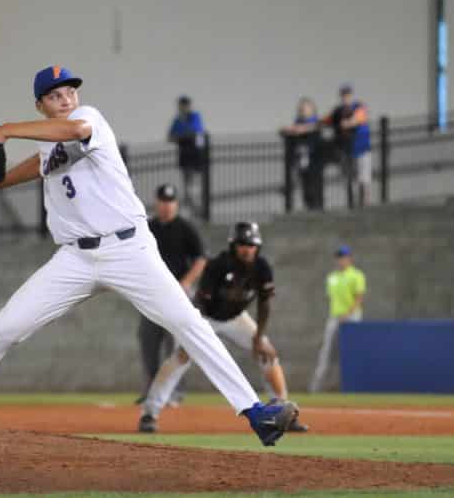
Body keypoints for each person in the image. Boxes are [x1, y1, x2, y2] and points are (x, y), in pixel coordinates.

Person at [0, 65, 299, 447]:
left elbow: (75, 130)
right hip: (74, 258)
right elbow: (39, 165)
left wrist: (4, 130)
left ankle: (254, 412)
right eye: (55, 95)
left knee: (188, 323)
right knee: (5, 327)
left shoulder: (87, 118)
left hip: (128, 249)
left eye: (70, 91)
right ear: (40, 104)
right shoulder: (47, 140)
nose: (66, 99)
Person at [138, 222, 308, 434]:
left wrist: (258, 337)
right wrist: (193, 337)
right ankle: (149, 413)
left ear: (258, 247)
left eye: (251, 244)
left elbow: (264, 304)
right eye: (242, 244)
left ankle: (284, 414)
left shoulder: (261, 267)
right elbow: (200, 302)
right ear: (233, 245)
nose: (247, 248)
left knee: (268, 353)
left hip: (236, 318)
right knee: (180, 357)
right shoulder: (218, 265)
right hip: (206, 317)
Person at [137, 183, 206, 405]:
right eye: (163, 201)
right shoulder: (148, 228)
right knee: (148, 340)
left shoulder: (184, 227)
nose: (167, 206)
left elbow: (200, 259)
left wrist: (185, 282)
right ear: (157, 203)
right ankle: (151, 392)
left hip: (177, 294)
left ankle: (174, 393)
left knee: (176, 344)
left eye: (170, 201)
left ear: (175, 204)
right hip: (152, 294)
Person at [309, 244, 366, 393]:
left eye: (344, 257)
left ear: (349, 258)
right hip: (334, 317)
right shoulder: (331, 277)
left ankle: (354, 386)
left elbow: (359, 298)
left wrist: (348, 314)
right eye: (339, 257)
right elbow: (332, 299)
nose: (341, 260)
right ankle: (316, 388)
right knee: (326, 351)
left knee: (352, 352)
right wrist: (340, 314)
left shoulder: (356, 275)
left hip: (352, 318)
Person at [323, 83, 372, 207]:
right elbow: (324, 121)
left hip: (361, 148)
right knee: (348, 177)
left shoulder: (358, 107)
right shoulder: (337, 111)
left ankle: (364, 202)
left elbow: (358, 118)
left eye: (347, 95)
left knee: (363, 178)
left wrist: (348, 122)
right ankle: (352, 202)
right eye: (343, 95)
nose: (345, 97)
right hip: (346, 150)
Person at [279, 97, 325, 210]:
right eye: (300, 109)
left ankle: (316, 206)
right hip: (301, 160)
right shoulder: (298, 122)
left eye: (304, 109)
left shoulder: (315, 122)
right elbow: (285, 130)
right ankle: (308, 205)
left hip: (314, 161)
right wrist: (292, 130)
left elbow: (312, 128)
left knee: (314, 185)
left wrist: (297, 129)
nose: (302, 111)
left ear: (311, 110)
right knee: (305, 185)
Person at [167, 95, 206, 215]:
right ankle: (191, 208)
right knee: (187, 184)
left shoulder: (194, 117)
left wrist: (182, 133)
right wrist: (182, 134)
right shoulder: (177, 120)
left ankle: (196, 208)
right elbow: (171, 136)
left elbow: (196, 131)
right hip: (184, 155)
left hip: (195, 155)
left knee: (195, 184)